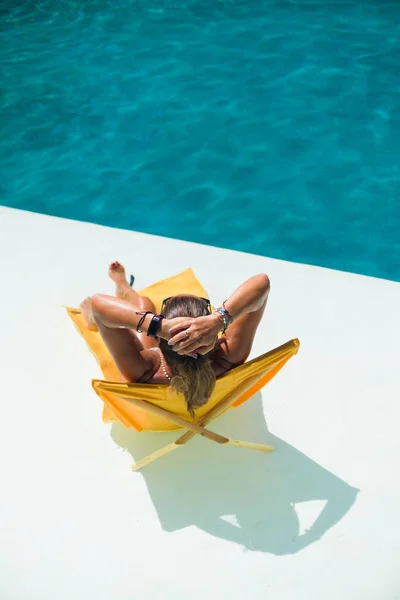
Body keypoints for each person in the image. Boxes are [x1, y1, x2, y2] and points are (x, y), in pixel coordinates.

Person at [80, 262, 270, 417]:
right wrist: (218, 320)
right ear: (210, 336)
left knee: (143, 304)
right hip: (201, 411)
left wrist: (157, 325)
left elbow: (98, 305)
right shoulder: (228, 356)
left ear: (160, 340)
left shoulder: (145, 370)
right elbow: (262, 283)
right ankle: (122, 286)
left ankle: (120, 288)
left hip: (153, 409)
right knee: (142, 305)